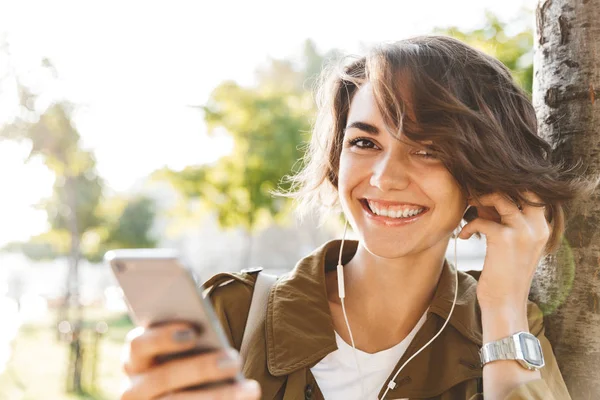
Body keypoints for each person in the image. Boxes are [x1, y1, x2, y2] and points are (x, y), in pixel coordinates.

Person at [119, 36, 595, 399]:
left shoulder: (510, 327)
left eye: (428, 150)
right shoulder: (235, 314)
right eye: (365, 142)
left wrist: (504, 305)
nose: (386, 178)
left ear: (480, 176)